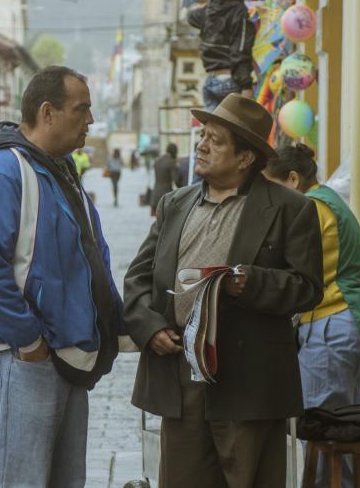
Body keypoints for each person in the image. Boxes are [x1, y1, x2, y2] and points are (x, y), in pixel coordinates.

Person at [123, 93, 323, 487]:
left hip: (248, 382)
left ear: (245, 157)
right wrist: (150, 328)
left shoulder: (290, 208)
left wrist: (252, 282)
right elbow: (138, 278)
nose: (202, 145)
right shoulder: (175, 204)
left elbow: (308, 288)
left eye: (215, 140)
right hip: (181, 375)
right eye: (203, 136)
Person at [0, 66, 124, 486]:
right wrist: (28, 340)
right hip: (25, 355)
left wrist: (116, 325)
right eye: (82, 109)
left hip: (64, 353)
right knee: (18, 479)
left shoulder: (60, 169)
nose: (90, 120)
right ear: (47, 112)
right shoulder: (3, 169)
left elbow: (90, 259)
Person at [263, 143, 360, 488]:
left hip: (332, 322)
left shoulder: (312, 207)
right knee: (341, 427)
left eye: (271, 186)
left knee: (323, 426)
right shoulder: (327, 200)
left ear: (292, 179)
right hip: (348, 322)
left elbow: (303, 272)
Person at [188, 0, 256, 109]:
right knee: (234, 121)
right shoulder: (239, 11)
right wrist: (246, 86)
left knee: (213, 122)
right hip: (230, 80)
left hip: (210, 80)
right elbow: (241, 50)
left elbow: (191, 17)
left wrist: (209, 8)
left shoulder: (211, 8)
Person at [151, 143, 179, 215]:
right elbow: (176, 180)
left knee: (158, 218)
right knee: (166, 218)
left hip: (156, 192)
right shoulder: (171, 162)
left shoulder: (157, 161)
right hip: (166, 194)